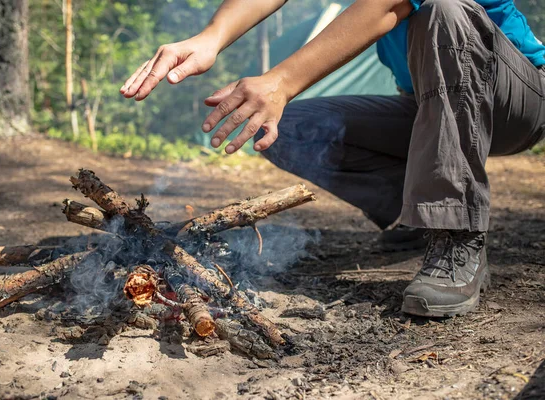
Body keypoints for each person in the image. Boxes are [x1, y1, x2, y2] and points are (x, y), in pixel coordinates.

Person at [120, 0, 545, 318]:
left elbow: (387, 5)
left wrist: (279, 83)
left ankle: (457, 233)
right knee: (290, 128)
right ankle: (419, 208)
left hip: (516, 96)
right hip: (424, 104)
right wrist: (209, 38)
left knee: (444, 8)